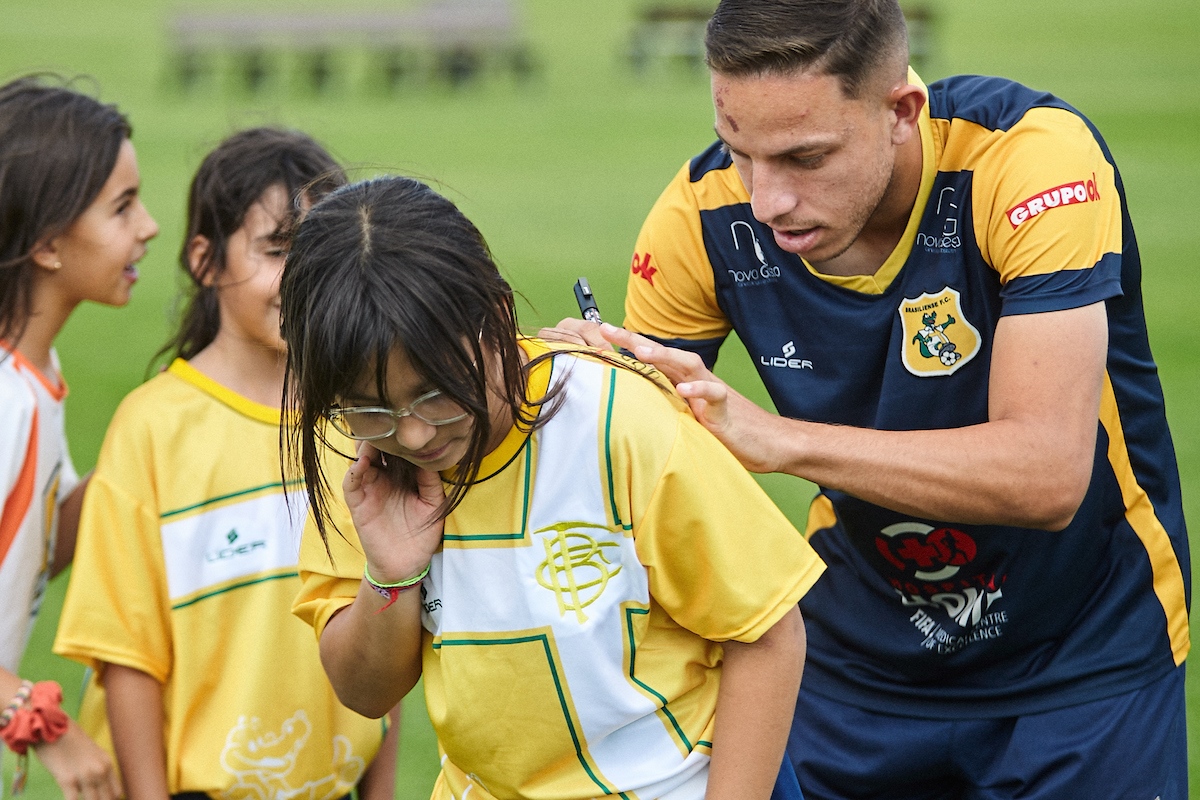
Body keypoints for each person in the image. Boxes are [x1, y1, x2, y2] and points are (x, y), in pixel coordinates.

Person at [548, 0, 1190, 797]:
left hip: (1084, 661)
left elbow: (1048, 474)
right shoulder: (699, 216)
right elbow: (630, 465)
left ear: (900, 111)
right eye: (741, 151)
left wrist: (783, 441)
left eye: (805, 157)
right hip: (849, 667)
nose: (765, 200)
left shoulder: (1030, 161)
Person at [279, 175, 825, 800]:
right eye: (370, 409)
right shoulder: (364, 459)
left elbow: (766, 630)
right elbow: (363, 691)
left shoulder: (617, 422)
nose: (413, 433)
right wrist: (390, 573)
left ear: (496, 317)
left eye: (436, 393)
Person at [53, 128, 399, 800]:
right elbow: (127, 661)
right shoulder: (152, 429)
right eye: (276, 250)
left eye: (318, 251)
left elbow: (385, 625)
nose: (301, 277)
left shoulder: (361, 417)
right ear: (206, 261)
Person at [0, 73, 159, 800]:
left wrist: (164, 436)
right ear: (46, 244)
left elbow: (36, 543)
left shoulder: (35, 374)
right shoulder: (6, 401)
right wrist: (36, 719)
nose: (147, 226)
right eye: (122, 207)